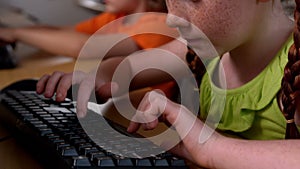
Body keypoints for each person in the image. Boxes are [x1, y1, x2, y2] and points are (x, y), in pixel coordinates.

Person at [36, 0, 300, 168]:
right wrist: (98, 75)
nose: (172, 18)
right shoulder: (201, 49)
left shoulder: (295, 64)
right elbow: (132, 66)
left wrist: (210, 149)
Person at [0, 0, 178, 58]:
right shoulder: (118, 18)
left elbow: (85, 47)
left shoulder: (159, 24)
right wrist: (18, 29)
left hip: (160, 119)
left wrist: (16, 33)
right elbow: (66, 32)